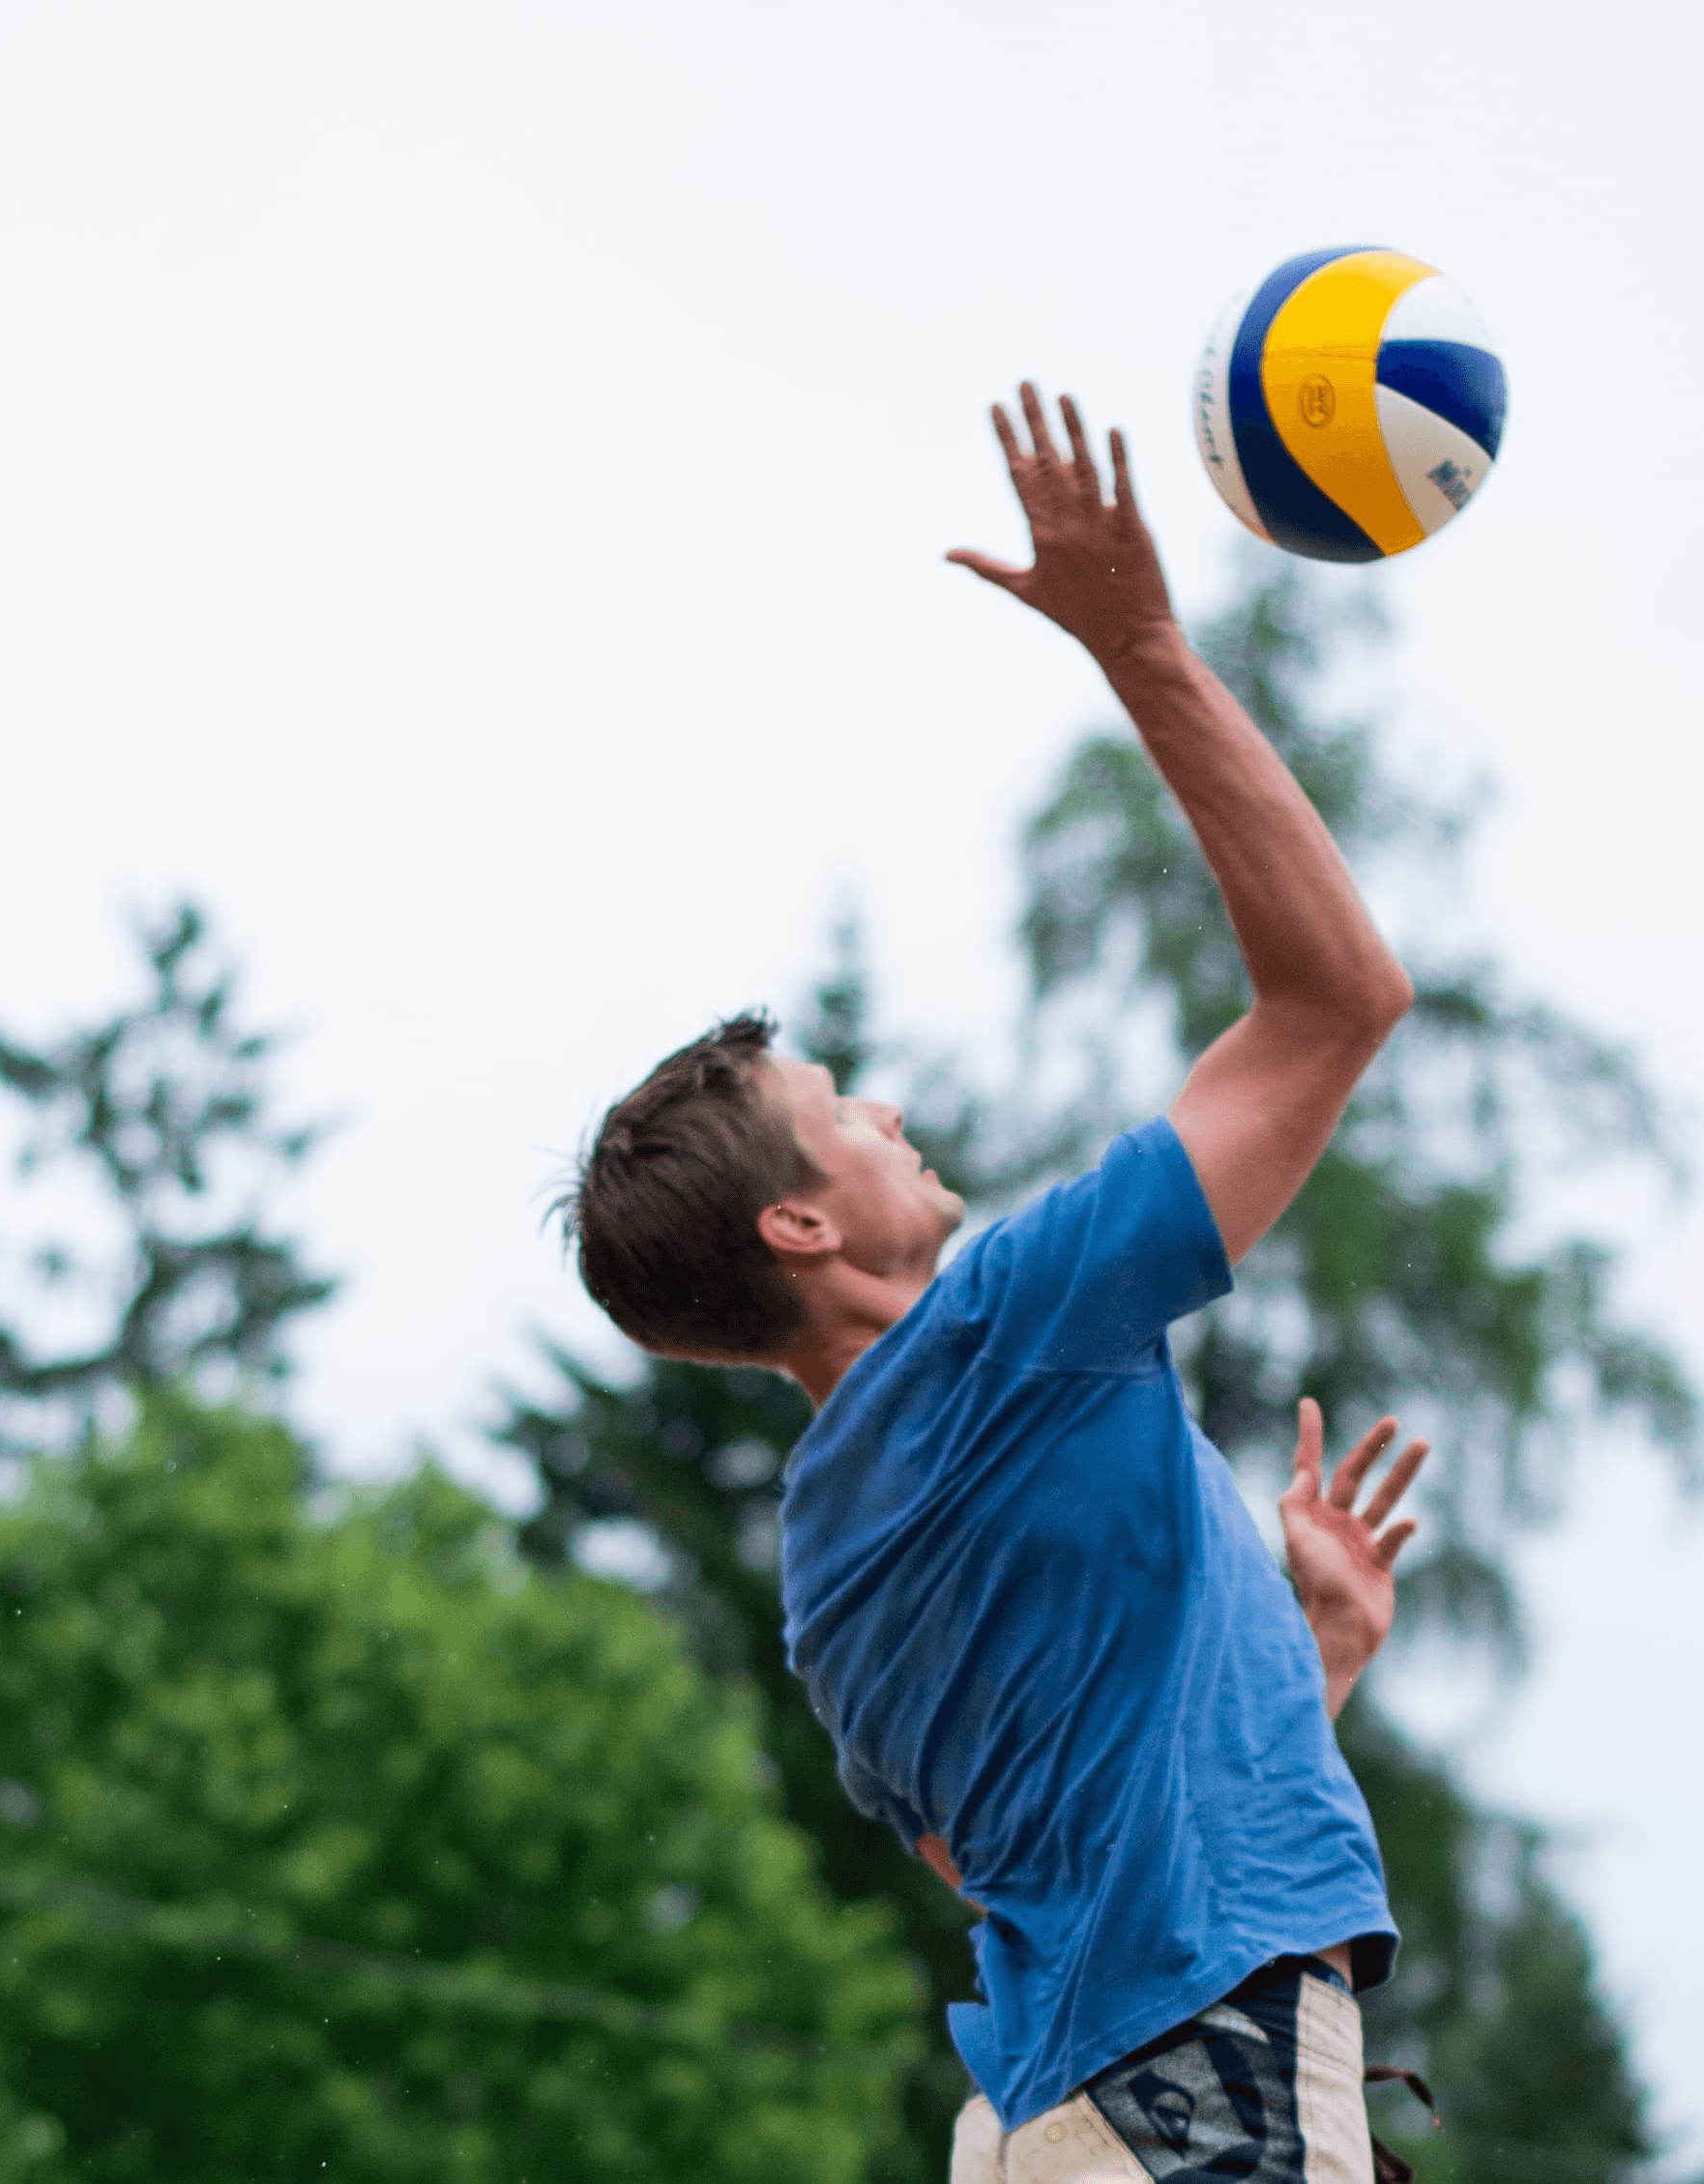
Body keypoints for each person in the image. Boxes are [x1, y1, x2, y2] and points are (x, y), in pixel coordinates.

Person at [560, 384, 1439, 2182]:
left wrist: (1303, 1654)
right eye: (837, 1107)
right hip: (1197, 2090)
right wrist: (1143, 649)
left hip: (1055, 2119)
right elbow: (1336, 1002)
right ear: (799, 1228)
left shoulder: (830, 1573)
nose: (882, 1107)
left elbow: (1045, 1860)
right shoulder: (1009, 1320)